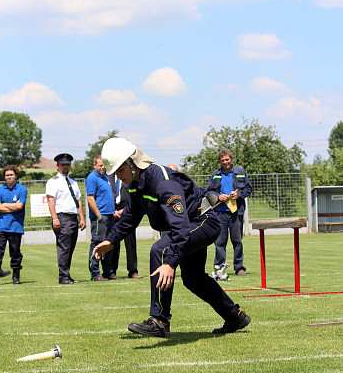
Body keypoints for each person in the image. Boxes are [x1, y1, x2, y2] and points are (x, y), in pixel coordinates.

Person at [93, 137, 251, 337]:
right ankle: (235, 316)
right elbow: (131, 215)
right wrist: (111, 240)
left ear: (133, 164)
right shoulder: (135, 183)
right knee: (193, 279)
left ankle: (159, 321)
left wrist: (170, 262)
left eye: (119, 170)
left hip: (202, 222)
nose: (117, 176)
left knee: (160, 250)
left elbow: (181, 228)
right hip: (188, 226)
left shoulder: (163, 183)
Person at [207, 149, 252, 279]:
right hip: (220, 213)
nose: (225, 162)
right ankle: (219, 267)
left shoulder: (240, 172)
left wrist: (239, 194)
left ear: (231, 159)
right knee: (220, 242)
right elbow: (209, 191)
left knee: (237, 240)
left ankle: (239, 268)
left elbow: (248, 189)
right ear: (220, 161)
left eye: (227, 159)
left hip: (236, 212)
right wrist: (218, 196)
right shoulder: (216, 174)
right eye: (223, 160)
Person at [46, 153, 86, 284]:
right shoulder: (53, 182)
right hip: (62, 217)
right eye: (63, 165)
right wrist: (55, 218)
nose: (65, 167)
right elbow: (51, 200)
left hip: (73, 217)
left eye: (67, 165)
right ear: (57, 166)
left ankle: (67, 275)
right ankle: (63, 277)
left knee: (70, 248)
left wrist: (82, 218)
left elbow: (78, 201)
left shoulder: (73, 182)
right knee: (64, 248)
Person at [0, 165, 27, 285]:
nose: (9, 177)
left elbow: (19, 206)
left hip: (15, 226)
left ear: (16, 175)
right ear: (4, 177)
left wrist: (4, 205)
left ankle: (16, 276)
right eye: (7, 175)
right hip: (1, 225)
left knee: (15, 252)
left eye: (11, 174)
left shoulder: (22, 189)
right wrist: (12, 207)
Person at [86, 155, 116, 281]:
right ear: (94, 166)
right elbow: (90, 198)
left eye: (104, 165)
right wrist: (98, 215)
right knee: (97, 244)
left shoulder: (105, 178)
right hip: (100, 217)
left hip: (109, 216)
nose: (103, 168)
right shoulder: (92, 178)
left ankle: (108, 272)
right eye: (100, 165)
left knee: (108, 244)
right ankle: (95, 274)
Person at [108, 173, 143, 279]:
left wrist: (125, 211)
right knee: (113, 242)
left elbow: (134, 196)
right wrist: (112, 211)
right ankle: (112, 272)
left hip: (127, 211)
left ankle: (133, 271)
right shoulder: (106, 177)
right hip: (111, 211)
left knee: (130, 243)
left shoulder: (127, 176)